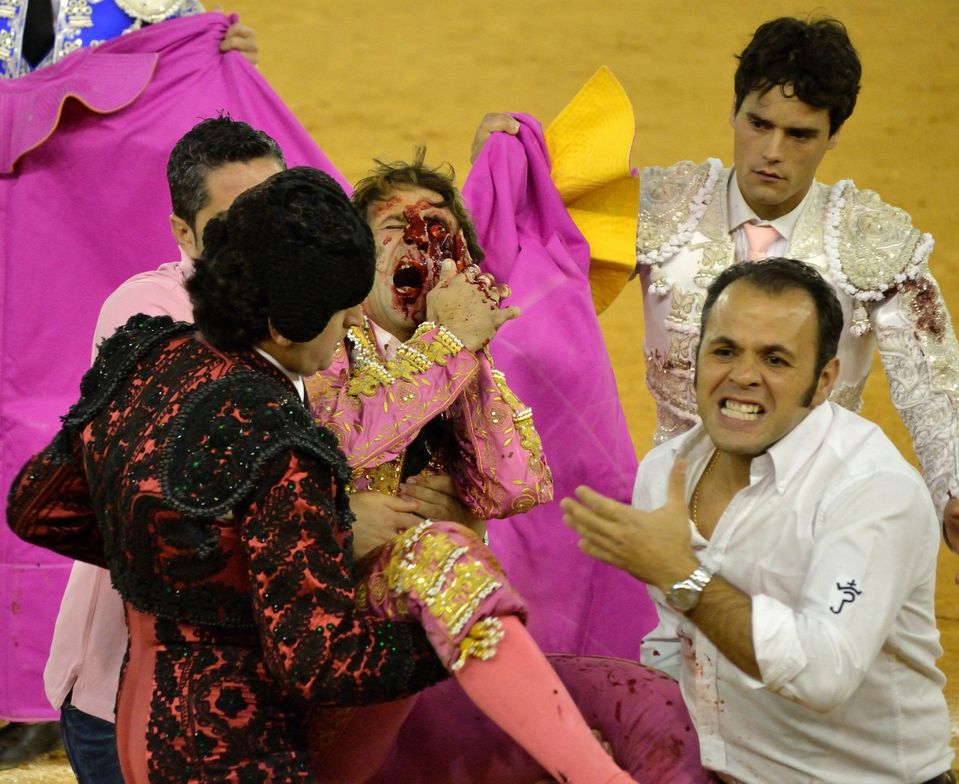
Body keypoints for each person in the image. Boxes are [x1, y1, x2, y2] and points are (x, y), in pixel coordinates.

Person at [8, 166, 638, 784]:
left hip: (143, 715)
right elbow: (317, 660)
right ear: (292, 321)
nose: (348, 324)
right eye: (339, 313)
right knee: (442, 560)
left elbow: (39, 507)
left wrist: (188, 560)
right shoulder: (279, 427)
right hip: (234, 745)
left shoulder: (150, 350)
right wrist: (454, 638)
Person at [473, 16, 959, 548]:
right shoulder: (659, 209)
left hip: (814, 518)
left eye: (799, 134)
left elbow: (936, 389)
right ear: (733, 110)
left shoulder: (876, 245)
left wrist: (954, 491)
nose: (772, 151)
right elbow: (521, 266)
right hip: (675, 509)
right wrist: (496, 176)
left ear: (834, 134)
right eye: (759, 124)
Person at [562, 258, 955, 783]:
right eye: (724, 351)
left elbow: (822, 673)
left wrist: (683, 576)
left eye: (775, 359)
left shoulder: (872, 491)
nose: (744, 376)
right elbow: (675, 643)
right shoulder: (667, 472)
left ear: (823, 381)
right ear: (696, 358)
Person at [0, 3, 264, 770]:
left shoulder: (157, 4)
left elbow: (208, 152)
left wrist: (211, 65)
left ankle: (24, 690)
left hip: (83, 252)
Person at [305, 151, 553, 551]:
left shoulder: (460, 355)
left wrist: (468, 522)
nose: (417, 238)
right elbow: (335, 444)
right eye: (393, 225)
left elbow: (515, 487)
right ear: (357, 255)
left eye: (438, 231)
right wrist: (448, 344)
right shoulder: (321, 335)